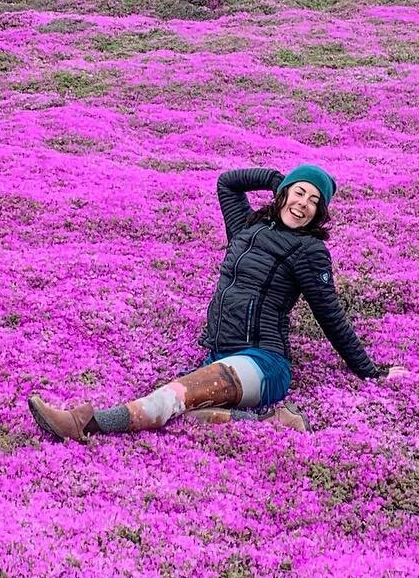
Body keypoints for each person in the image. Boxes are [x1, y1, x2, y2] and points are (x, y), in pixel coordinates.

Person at [27, 164, 400, 441]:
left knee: (173, 398)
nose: (304, 204)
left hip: (263, 363)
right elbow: (227, 183)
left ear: (319, 214)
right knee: (185, 416)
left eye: (314, 201)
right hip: (222, 356)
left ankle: (84, 422)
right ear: (285, 194)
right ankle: (275, 424)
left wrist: (371, 372)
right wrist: (274, 178)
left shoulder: (310, 251)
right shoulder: (247, 228)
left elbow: (329, 314)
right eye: (299, 192)